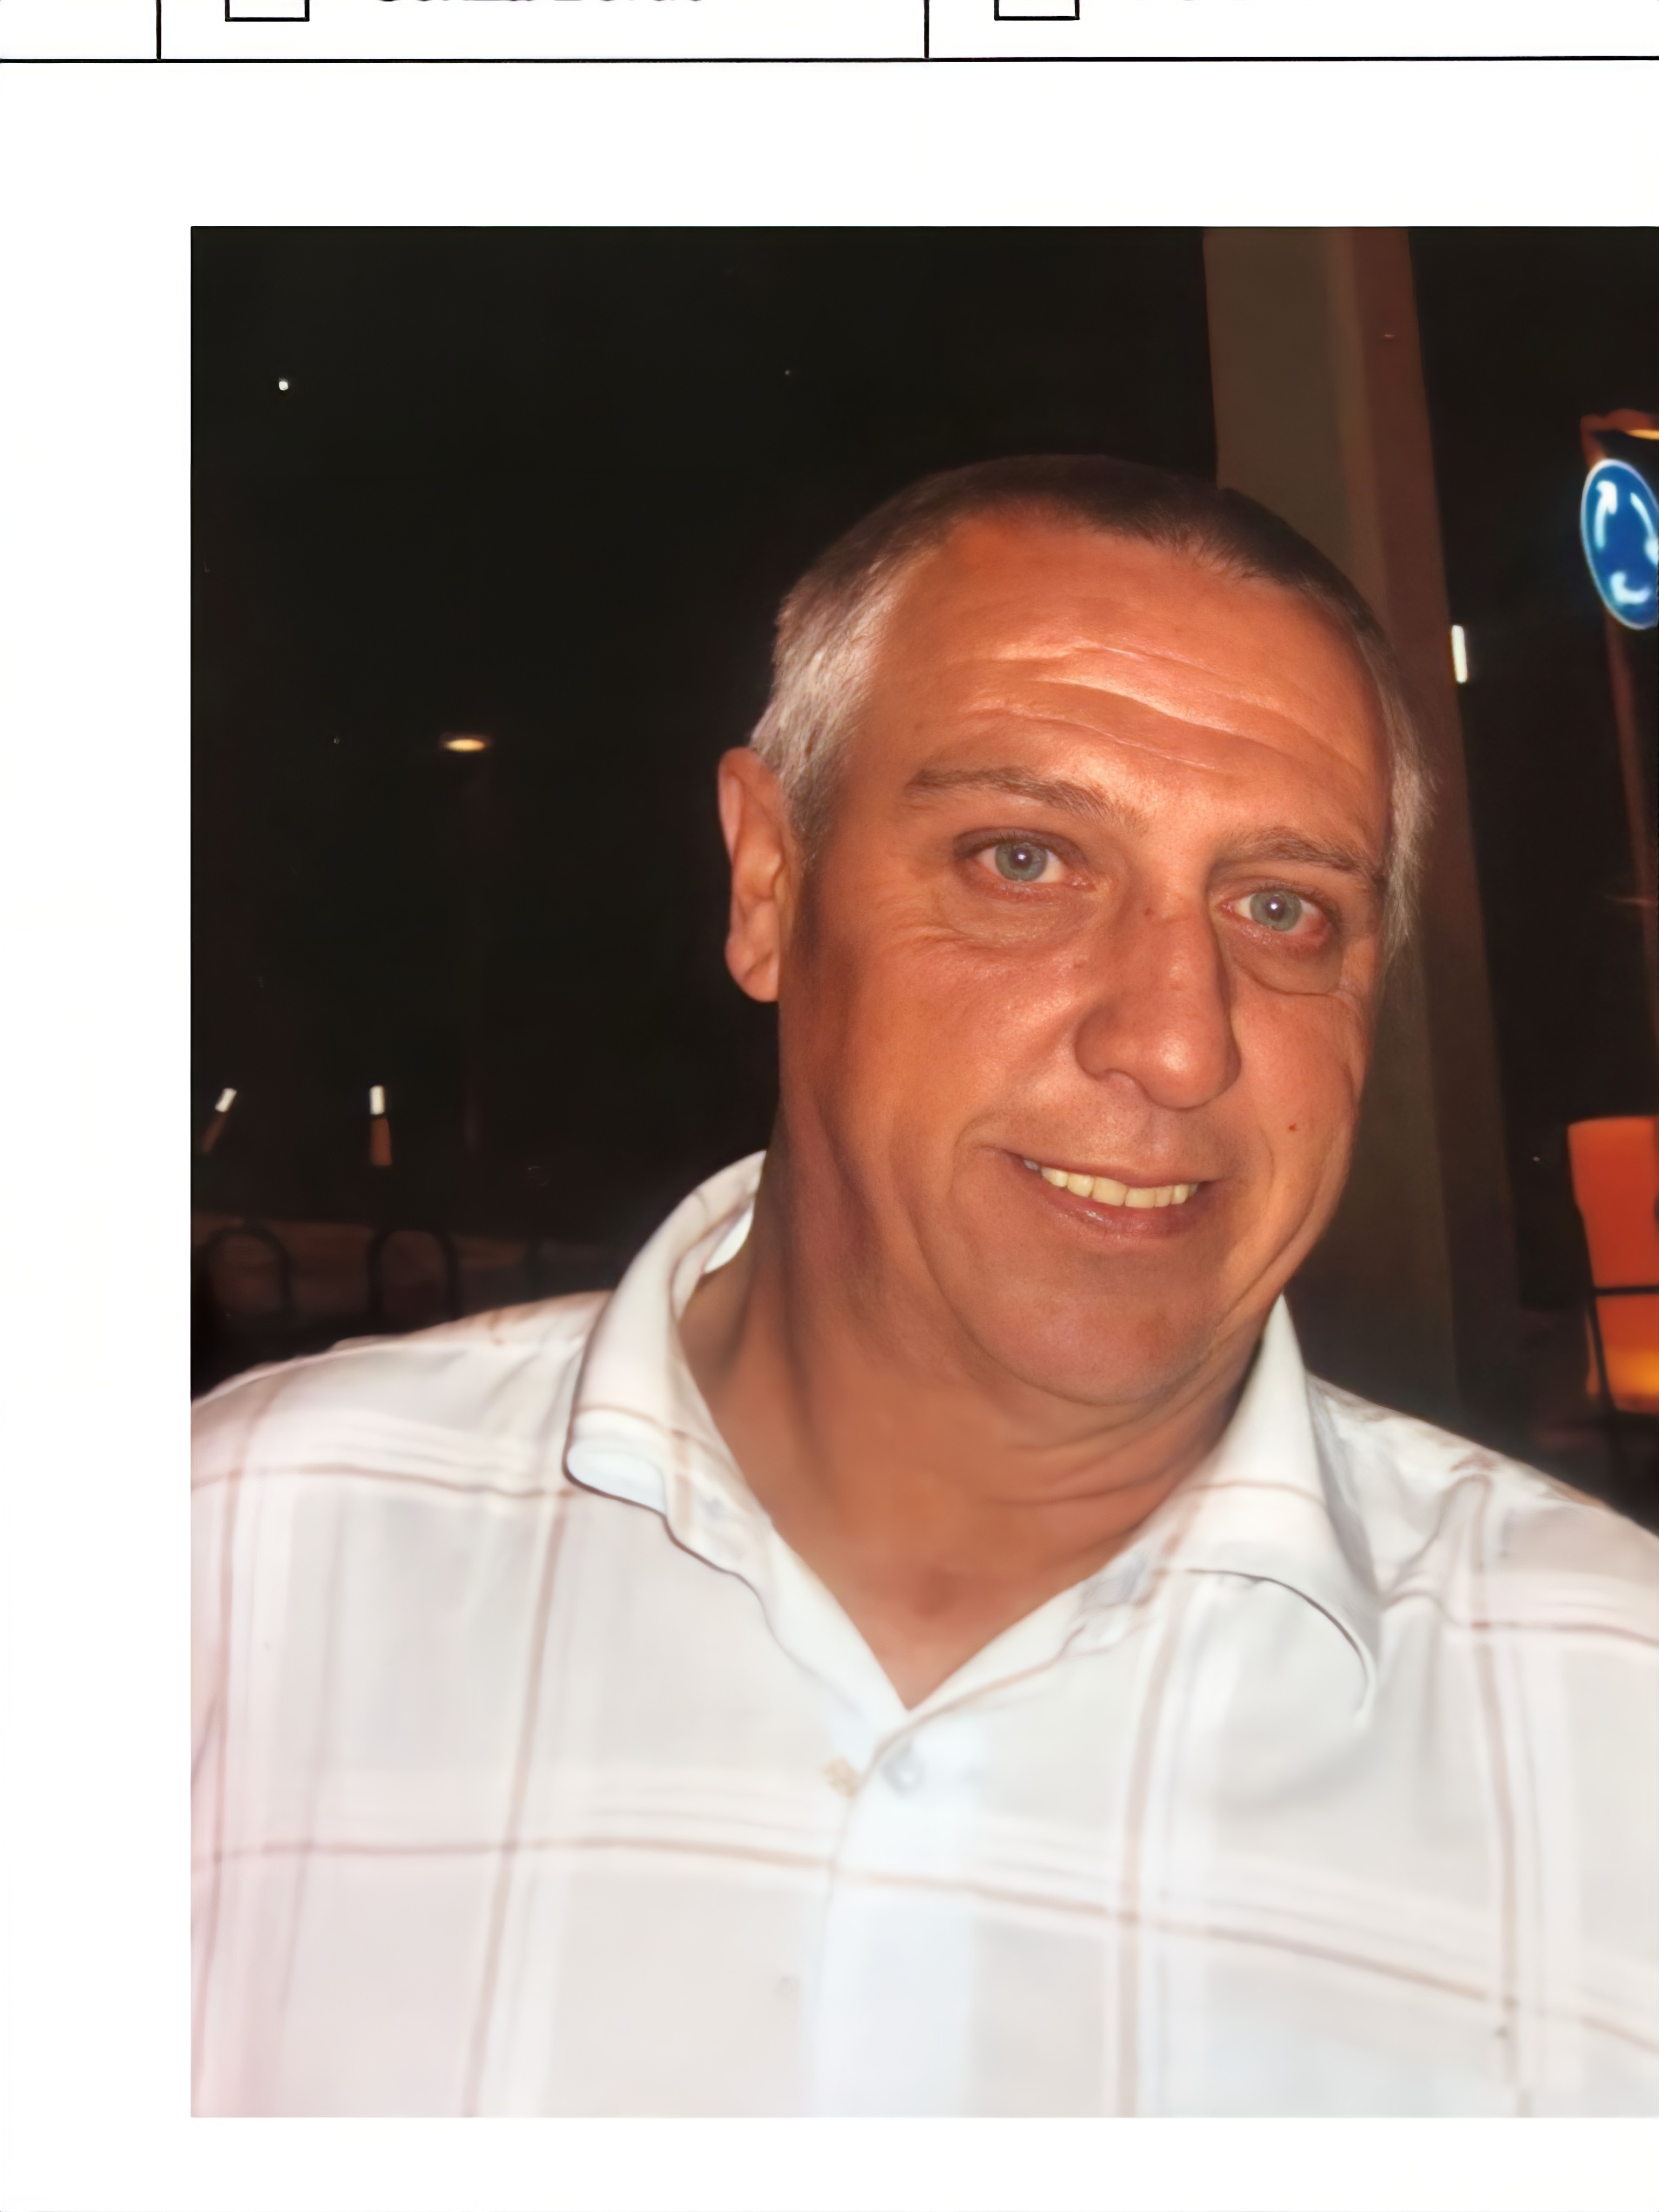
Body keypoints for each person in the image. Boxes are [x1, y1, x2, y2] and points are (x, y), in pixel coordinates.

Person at [192, 456, 1658, 2116]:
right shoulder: (232, 1568)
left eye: (1281, 909)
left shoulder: (1610, 1714)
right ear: (770, 884)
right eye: (1024, 860)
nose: (1179, 1040)